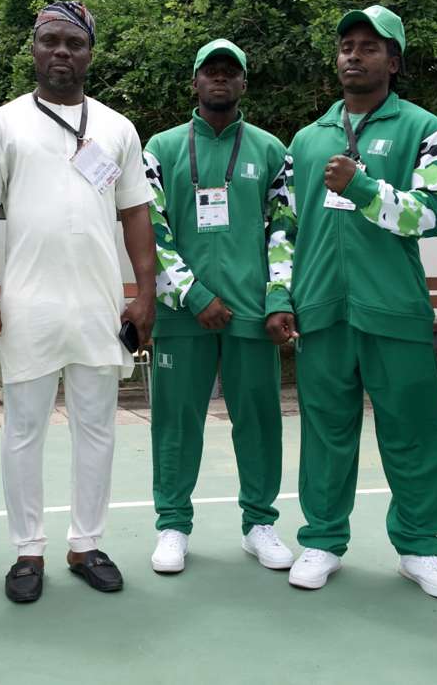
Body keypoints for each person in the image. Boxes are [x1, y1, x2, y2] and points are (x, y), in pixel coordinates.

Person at [0, 1, 156, 603]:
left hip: (98, 302)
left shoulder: (118, 128)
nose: (62, 51)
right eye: (50, 40)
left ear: (90, 52)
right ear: (34, 48)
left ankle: (86, 543)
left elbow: (136, 214)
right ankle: (28, 551)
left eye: (74, 42)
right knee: (23, 430)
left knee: (97, 428)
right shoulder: (1, 124)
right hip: (29, 303)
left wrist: (145, 294)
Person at [266, 5, 437, 599]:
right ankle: (323, 540)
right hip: (322, 309)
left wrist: (363, 186)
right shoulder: (307, 139)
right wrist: (280, 293)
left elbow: (433, 214)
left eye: (369, 47)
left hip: (394, 308)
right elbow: (284, 225)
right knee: (326, 433)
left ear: (393, 62)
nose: (354, 55)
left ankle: (420, 548)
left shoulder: (424, 128)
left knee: (414, 432)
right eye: (346, 46)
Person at [142, 38, 293, 574]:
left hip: (251, 312)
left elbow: (284, 229)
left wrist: (279, 297)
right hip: (183, 314)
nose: (221, 78)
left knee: (259, 420)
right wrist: (195, 294)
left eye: (231, 71)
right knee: (175, 423)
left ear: (244, 83)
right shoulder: (160, 148)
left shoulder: (271, 150)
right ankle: (173, 525)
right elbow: (150, 228)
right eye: (211, 71)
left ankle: (260, 524)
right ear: (195, 82)